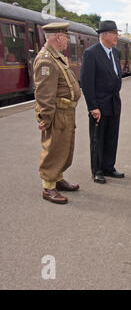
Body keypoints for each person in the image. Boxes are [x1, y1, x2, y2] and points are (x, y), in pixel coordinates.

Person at [33, 22, 81, 204]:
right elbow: (44, 94)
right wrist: (45, 118)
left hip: (66, 111)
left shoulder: (56, 57)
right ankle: (48, 187)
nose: (68, 41)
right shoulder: (46, 59)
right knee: (53, 148)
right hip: (56, 113)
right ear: (59, 37)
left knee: (64, 148)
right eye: (66, 37)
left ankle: (58, 179)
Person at [80, 20, 124, 184]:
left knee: (112, 137)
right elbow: (86, 82)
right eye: (114, 34)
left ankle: (109, 167)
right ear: (105, 35)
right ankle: (97, 170)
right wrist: (93, 107)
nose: (117, 37)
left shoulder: (116, 53)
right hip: (99, 104)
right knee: (98, 138)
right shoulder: (91, 53)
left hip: (114, 102)